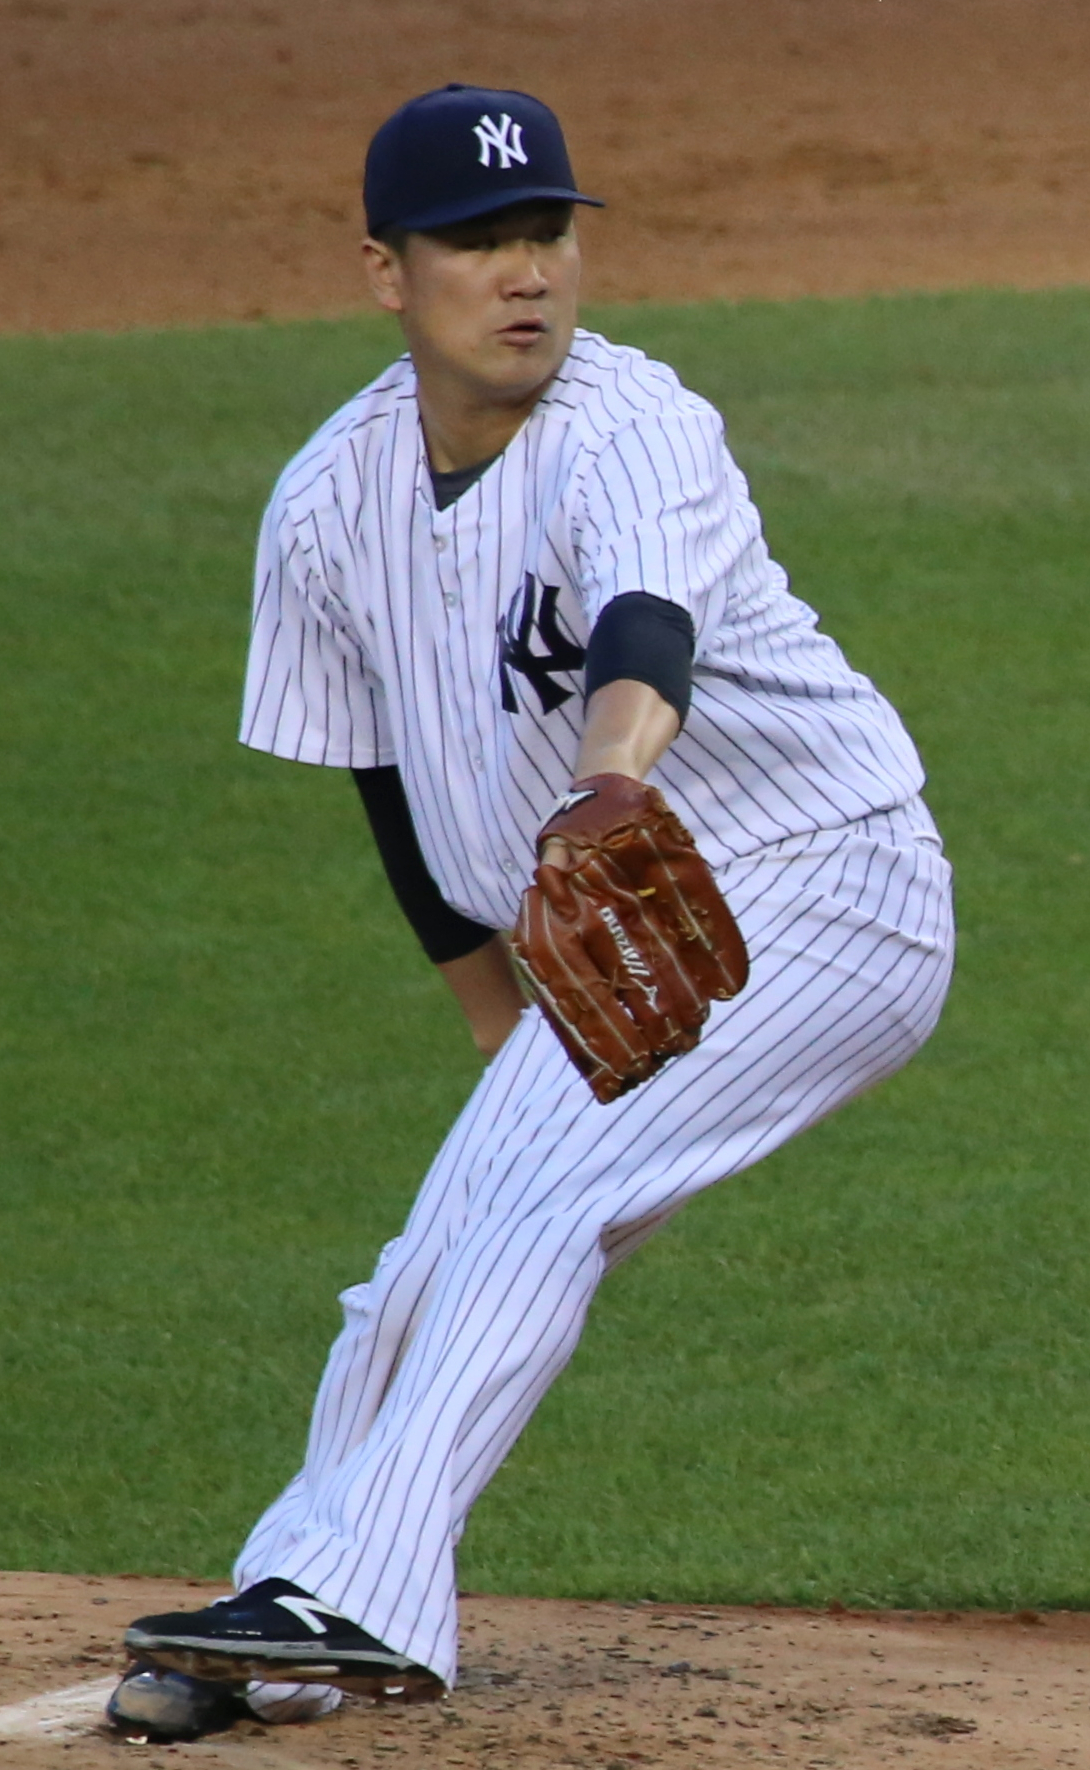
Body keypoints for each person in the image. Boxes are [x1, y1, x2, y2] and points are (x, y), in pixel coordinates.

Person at [108, 82, 954, 1742]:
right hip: (621, 944)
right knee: (425, 1259)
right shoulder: (325, 503)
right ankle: (287, 1622)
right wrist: (509, 1040)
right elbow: (394, 801)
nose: (525, 272)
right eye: (476, 240)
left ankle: (355, 1596)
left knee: (529, 1203)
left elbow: (645, 634)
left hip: (830, 878)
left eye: (548, 232)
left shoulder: (633, 425)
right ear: (384, 272)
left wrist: (610, 783)